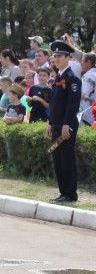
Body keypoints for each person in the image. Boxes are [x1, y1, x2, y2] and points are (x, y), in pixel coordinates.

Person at [47, 41, 82, 203]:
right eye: (54, 56)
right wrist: (50, 122)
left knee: (66, 158)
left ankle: (70, 193)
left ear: (68, 57)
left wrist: (66, 125)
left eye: (60, 56)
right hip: (56, 125)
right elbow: (54, 103)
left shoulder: (72, 79)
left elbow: (72, 105)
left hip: (66, 126)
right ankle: (63, 192)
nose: (56, 58)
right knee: (58, 158)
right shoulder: (58, 77)